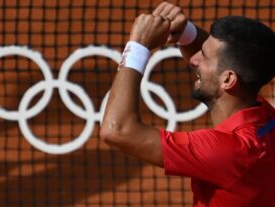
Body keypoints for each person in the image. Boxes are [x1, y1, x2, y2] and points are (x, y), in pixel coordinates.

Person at [100, 2, 275, 207]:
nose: (194, 60)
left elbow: (117, 131)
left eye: (204, 56)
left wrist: (138, 46)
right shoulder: (265, 118)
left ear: (228, 80)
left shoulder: (228, 151)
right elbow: (225, 63)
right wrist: (186, 33)